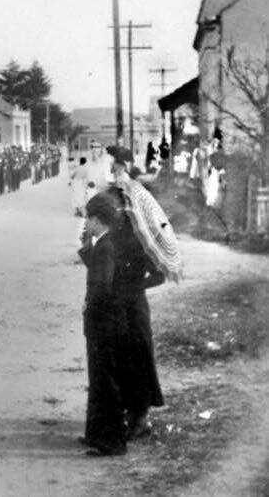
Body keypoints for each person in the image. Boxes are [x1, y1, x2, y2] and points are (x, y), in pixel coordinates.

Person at [103, 146, 167, 441]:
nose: (119, 206)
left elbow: (159, 275)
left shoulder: (144, 235)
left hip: (134, 307)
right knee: (118, 359)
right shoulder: (113, 235)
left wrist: (132, 286)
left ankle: (140, 419)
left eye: (122, 202)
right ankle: (126, 416)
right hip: (115, 304)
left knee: (138, 358)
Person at [78, 193, 127, 457]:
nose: (86, 222)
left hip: (104, 323)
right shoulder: (105, 242)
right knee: (98, 379)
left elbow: (102, 286)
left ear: (97, 219)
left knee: (105, 381)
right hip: (106, 321)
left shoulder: (106, 247)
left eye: (88, 218)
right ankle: (96, 435)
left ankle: (113, 442)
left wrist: (91, 308)